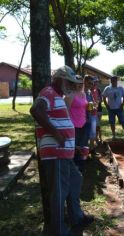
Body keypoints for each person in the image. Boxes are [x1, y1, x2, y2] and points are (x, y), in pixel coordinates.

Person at [30, 66, 93, 236]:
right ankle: (58, 231)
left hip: (64, 151)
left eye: (73, 83)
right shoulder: (48, 92)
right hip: (55, 153)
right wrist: (57, 134)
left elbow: (59, 122)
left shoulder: (57, 96)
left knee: (76, 179)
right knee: (59, 192)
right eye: (69, 82)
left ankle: (76, 217)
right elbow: (36, 110)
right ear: (59, 79)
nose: (71, 86)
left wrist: (74, 146)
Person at [64, 75, 90, 173]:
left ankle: (81, 167)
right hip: (73, 125)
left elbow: (83, 107)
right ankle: (74, 168)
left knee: (83, 146)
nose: (79, 85)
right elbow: (65, 111)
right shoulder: (70, 95)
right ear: (73, 83)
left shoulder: (83, 94)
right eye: (77, 83)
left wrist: (91, 109)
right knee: (75, 147)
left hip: (84, 123)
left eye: (81, 83)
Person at [102, 75, 124, 140]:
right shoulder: (107, 88)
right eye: (112, 80)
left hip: (119, 109)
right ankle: (114, 135)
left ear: (117, 81)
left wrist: (122, 104)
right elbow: (104, 97)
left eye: (115, 80)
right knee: (112, 122)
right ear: (111, 81)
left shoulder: (120, 88)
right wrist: (106, 105)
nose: (114, 81)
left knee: (123, 122)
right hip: (111, 109)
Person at [91, 76, 103, 145]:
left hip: (99, 110)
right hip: (93, 111)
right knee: (95, 126)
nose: (96, 83)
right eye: (95, 82)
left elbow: (100, 99)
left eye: (97, 82)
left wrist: (98, 100)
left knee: (98, 126)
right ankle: (96, 139)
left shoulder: (98, 90)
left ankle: (99, 138)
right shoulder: (90, 90)